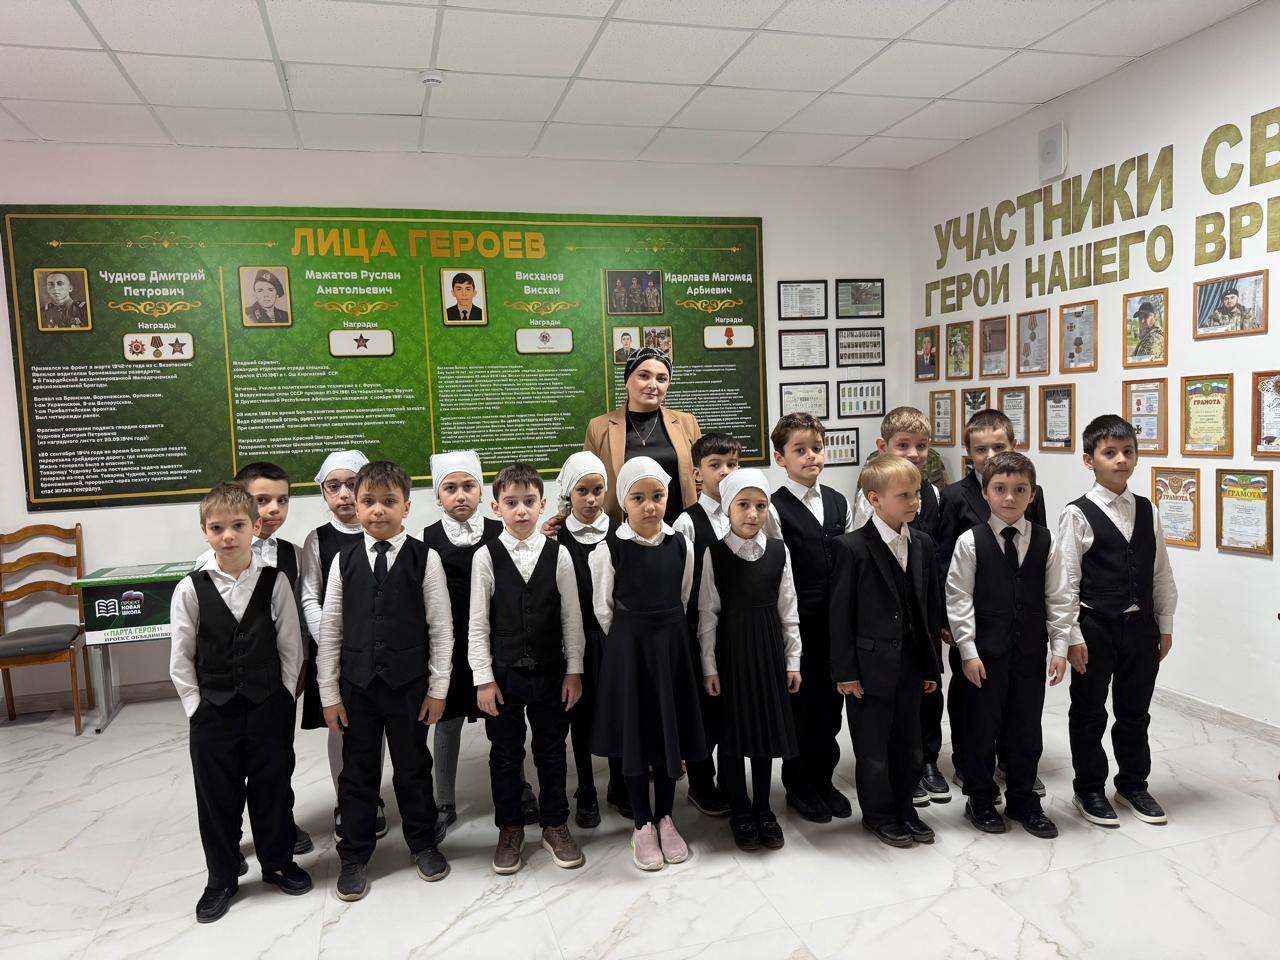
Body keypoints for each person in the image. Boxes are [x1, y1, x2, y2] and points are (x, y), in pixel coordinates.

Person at [169, 482, 309, 923]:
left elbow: (291, 646)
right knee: (217, 797)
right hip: (213, 712)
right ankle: (222, 876)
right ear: (204, 531)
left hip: (268, 706)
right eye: (217, 528)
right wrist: (196, 707)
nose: (228, 536)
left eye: (238, 526)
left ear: (254, 527)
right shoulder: (190, 588)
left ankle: (278, 863)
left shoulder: (274, 581)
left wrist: (283, 696)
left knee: (273, 789)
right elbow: (180, 657)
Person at [318, 460, 453, 901]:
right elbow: (331, 630)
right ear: (356, 507)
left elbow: (441, 628)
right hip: (357, 687)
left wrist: (438, 688)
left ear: (406, 507)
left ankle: (423, 842)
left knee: (413, 767)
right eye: (369, 501)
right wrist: (329, 694)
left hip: (409, 686)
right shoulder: (342, 560)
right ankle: (354, 854)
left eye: (389, 501)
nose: (378, 510)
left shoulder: (425, 558)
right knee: (357, 773)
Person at [945, 452, 1072, 839]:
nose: (1010, 497)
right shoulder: (971, 542)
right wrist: (968, 651)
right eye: (1000, 489)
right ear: (985, 493)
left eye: (1020, 490)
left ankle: (1023, 798)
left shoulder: (1046, 541)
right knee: (981, 729)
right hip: (983, 656)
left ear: (1032, 494)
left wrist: (1060, 648)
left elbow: (1059, 598)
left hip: (1029, 653)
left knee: (1025, 730)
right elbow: (958, 599)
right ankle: (981, 798)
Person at [1059, 415, 1177, 828]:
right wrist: (1071, 636)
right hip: (1094, 627)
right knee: (1089, 711)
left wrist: (1164, 624)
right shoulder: (1076, 514)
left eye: (1128, 451)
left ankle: (1133, 783)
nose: (1121, 460)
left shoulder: (1148, 510)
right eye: (1109, 453)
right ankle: (1089, 787)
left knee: (1135, 711)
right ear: (1089, 460)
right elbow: (1066, 582)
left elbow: (1160, 572)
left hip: (1140, 627)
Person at [468, 463, 586, 876]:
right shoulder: (485, 556)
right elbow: (478, 623)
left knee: (552, 751)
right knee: (505, 755)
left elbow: (572, 618)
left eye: (529, 502)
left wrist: (574, 670)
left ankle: (555, 824)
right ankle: (510, 827)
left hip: (552, 672)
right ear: (496, 507)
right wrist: (483, 678)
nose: (521, 510)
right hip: (503, 675)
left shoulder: (559, 554)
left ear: (542, 505)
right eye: (511, 502)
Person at [590, 457, 707, 871]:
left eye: (657, 496)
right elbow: (604, 610)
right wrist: (631, 638)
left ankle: (666, 817)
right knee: (637, 737)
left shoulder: (682, 545)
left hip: (671, 650)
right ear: (623, 502)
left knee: (668, 736)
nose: (650, 506)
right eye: (638, 498)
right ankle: (642, 822)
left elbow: (684, 595)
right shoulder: (609, 549)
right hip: (631, 653)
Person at [193, 461, 315, 856]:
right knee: (225, 769)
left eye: (282, 500)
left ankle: (280, 825)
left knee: (277, 758)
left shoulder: (293, 555)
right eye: (262, 500)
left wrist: (294, 673)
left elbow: (296, 621)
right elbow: (197, 637)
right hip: (224, 687)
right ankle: (231, 842)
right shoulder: (206, 566)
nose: (274, 509)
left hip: (274, 679)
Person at [829, 456, 943, 848]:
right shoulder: (850, 547)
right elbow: (840, 615)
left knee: (909, 745)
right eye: (904, 495)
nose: (915, 502)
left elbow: (929, 609)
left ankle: (906, 808)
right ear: (875, 499)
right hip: (868, 667)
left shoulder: (923, 543)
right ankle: (878, 814)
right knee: (873, 748)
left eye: (917, 494)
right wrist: (845, 672)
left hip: (911, 663)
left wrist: (931, 667)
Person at [936, 409, 1049, 801]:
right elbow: (944, 560)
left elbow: (1037, 550)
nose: (989, 456)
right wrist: (947, 620)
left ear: (1013, 445)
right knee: (971, 696)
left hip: (1017, 618)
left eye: (997, 447)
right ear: (969, 452)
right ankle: (968, 762)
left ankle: (1011, 762)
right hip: (972, 618)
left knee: (1017, 700)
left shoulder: (1029, 491)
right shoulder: (955, 495)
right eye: (980, 449)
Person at [698, 469, 802, 851]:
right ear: (728, 507)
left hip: (768, 649)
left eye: (760, 505)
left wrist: (793, 660)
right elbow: (707, 614)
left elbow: (788, 608)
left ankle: (763, 806)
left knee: (763, 730)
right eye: (743, 504)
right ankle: (739, 808)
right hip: (732, 651)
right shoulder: (714, 553)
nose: (753, 513)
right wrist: (709, 666)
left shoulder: (778, 551)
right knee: (732, 733)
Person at [672, 432, 771, 820]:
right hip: (702, 627)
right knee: (704, 712)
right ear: (698, 473)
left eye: (732, 464)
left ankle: (735, 783)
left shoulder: (750, 514)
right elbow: (683, 583)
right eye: (715, 465)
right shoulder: (687, 521)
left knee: (733, 710)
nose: (725, 472)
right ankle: (701, 782)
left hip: (743, 630)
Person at [851, 408, 946, 806]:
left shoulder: (933, 495)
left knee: (926, 694)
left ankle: (926, 762)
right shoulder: (867, 498)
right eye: (903, 445)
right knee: (888, 710)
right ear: (882, 447)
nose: (913, 454)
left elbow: (937, 557)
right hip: (883, 625)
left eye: (921, 446)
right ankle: (894, 777)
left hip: (919, 619)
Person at [767, 413, 854, 824]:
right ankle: (799, 784)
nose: (810, 457)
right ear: (780, 458)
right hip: (799, 621)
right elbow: (778, 573)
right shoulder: (774, 508)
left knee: (830, 708)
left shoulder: (838, 501)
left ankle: (824, 779)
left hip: (835, 622)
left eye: (816, 448)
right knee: (802, 708)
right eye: (799, 450)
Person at [299, 450, 390, 841]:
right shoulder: (317, 540)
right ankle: (346, 800)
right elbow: (310, 597)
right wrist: (333, 644)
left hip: (379, 652)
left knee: (375, 728)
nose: (343, 494)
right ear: (324, 493)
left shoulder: (383, 531)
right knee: (341, 727)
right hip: (336, 655)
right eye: (333, 486)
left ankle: (374, 797)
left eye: (352, 485)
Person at [420, 450, 504, 833]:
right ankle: (444, 800)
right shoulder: (428, 540)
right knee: (448, 721)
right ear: (438, 496)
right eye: (450, 488)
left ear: (481, 491)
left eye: (468, 486)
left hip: (493, 642)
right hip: (451, 646)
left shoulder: (500, 531)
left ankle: (514, 785)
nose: (460, 495)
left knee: (501, 719)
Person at [552, 451, 621, 828]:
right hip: (575, 640)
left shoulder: (619, 531)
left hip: (612, 637)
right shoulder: (557, 536)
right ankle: (586, 788)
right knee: (578, 714)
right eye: (583, 491)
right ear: (569, 493)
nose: (592, 499)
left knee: (617, 709)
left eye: (598, 490)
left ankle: (619, 781)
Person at [581, 347, 701, 523]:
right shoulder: (598, 427)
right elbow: (585, 482)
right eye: (644, 376)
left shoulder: (687, 423)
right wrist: (565, 516)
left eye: (661, 379)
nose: (653, 385)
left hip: (679, 529)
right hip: (622, 530)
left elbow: (702, 479)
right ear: (627, 380)